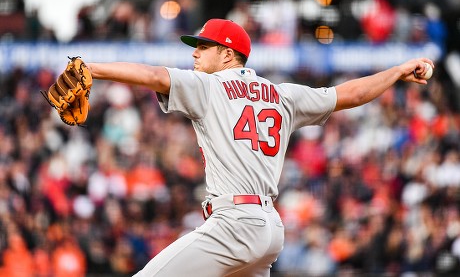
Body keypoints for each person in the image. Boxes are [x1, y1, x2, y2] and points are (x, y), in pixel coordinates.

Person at [85, 19, 433, 276]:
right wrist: (398, 71)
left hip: (234, 223)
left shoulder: (209, 86)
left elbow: (155, 76)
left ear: (226, 54)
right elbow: (351, 94)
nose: (195, 53)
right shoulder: (283, 95)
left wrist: (93, 69)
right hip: (269, 229)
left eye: (203, 47)